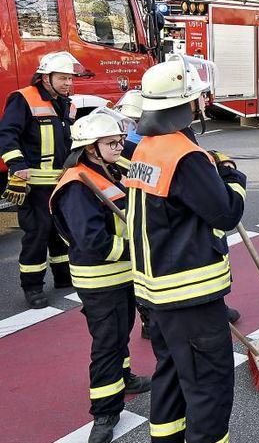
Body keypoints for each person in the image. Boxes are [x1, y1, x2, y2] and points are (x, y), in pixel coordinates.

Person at [126, 54, 246, 443]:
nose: (202, 103)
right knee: (209, 388)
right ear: (186, 103)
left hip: (157, 294)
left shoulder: (146, 148)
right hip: (190, 297)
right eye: (198, 97)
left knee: (172, 375)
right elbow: (225, 213)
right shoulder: (185, 157)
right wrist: (233, 177)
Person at [49, 108, 152, 443]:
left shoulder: (108, 169)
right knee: (107, 343)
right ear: (90, 148)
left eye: (120, 140)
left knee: (121, 331)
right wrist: (137, 250)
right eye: (112, 143)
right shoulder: (77, 186)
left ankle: (125, 377)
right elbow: (93, 242)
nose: (120, 147)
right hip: (100, 279)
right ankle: (105, 411)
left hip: (121, 275)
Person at [0, 51, 80, 308]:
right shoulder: (23, 98)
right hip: (33, 184)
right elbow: (7, 134)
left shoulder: (65, 103)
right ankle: (32, 287)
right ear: (46, 78)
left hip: (59, 183)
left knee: (60, 231)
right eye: (63, 78)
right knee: (37, 233)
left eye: (70, 78)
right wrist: (17, 164)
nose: (68, 83)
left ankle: (63, 277)